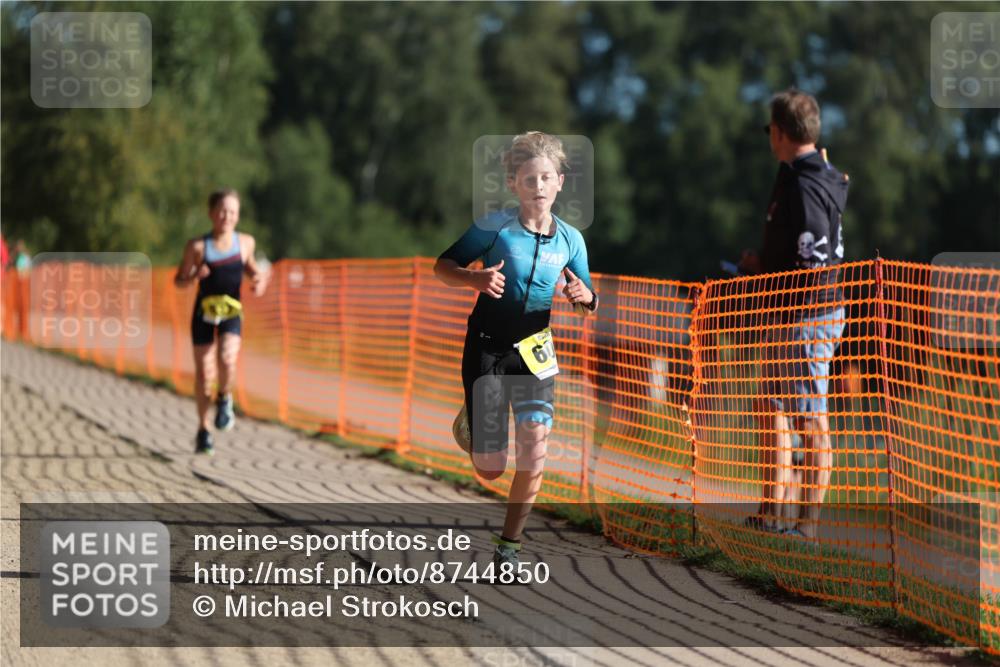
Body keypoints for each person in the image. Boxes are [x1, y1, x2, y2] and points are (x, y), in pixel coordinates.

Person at [434, 131, 598, 571]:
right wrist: (475, 280)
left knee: (536, 446)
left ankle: (509, 547)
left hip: (534, 353)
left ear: (560, 182)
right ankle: (471, 418)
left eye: (546, 178)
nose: (539, 187)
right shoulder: (493, 228)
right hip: (487, 349)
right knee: (490, 467)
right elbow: (442, 266)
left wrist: (583, 296)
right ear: (514, 183)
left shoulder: (571, 240)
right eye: (530, 179)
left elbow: (588, 298)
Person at [740, 89, 849, 539]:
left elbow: (813, 252)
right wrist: (761, 266)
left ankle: (805, 528)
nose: (770, 137)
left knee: (807, 417)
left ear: (781, 132)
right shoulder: (800, 175)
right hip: (791, 312)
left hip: (806, 314)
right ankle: (773, 515)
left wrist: (781, 284)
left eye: (771, 129)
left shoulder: (805, 183)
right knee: (772, 408)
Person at [174, 189, 269, 455]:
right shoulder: (197, 247)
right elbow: (179, 280)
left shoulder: (246, 242)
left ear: (238, 216)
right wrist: (193, 276)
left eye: (233, 212)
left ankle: (225, 398)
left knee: (227, 358)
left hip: (231, 312)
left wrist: (258, 279)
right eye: (223, 211)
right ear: (211, 213)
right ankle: (204, 430)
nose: (227, 216)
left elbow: (249, 266)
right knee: (204, 373)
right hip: (203, 313)